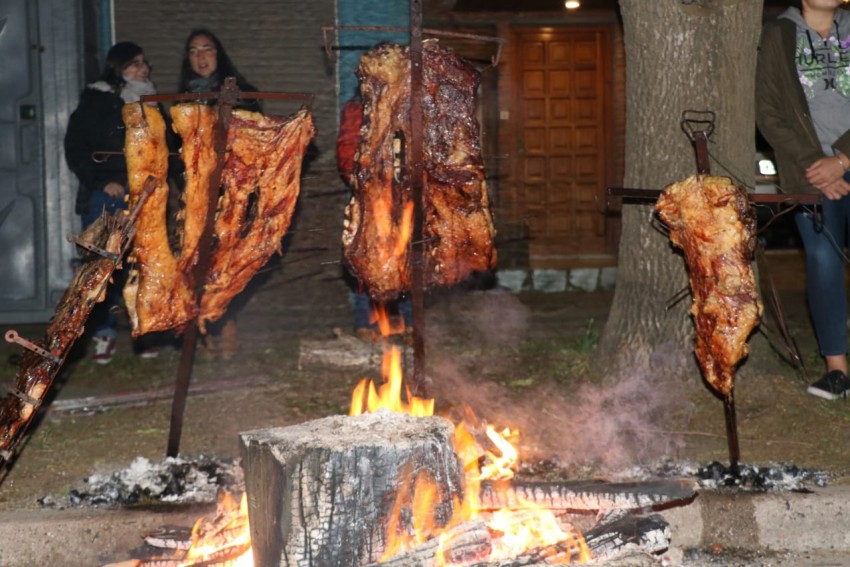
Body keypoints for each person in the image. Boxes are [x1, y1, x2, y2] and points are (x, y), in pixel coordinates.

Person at [756, 0, 850, 400]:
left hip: (844, 159)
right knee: (823, 259)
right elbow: (768, 111)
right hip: (809, 172)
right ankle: (838, 370)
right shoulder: (778, 35)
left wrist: (843, 159)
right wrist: (817, 164)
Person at [64, 41, 162, 364]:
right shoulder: (98, 100)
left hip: (144, 195)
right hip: (105, 197)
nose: (142, 69)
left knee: (143, 265)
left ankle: (144, 332)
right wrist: (102, 182)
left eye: (145, 63)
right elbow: (76, 146)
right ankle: (102, 334)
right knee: (100, 269)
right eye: (134, 64)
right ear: (117, 67)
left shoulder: (151, 100)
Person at [177, 29, 259, 359]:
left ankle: (226, 324)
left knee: (227, 262)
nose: (201, 57)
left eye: (207, 49)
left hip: (233, 190)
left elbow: (254, 131)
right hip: (195, 192)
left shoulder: (243, 91)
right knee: (198, 262)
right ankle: (201, 330)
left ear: (218, 54)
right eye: (194, 51)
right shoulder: (182, 98)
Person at [336, 94, 413, 340]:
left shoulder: (412, 104)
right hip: (369, 193)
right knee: (366, 254)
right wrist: (360, 179)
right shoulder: (358, 106)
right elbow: (347, 148)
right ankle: (365, 323)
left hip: (405, 193)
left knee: (407, 255)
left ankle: (408, 322)